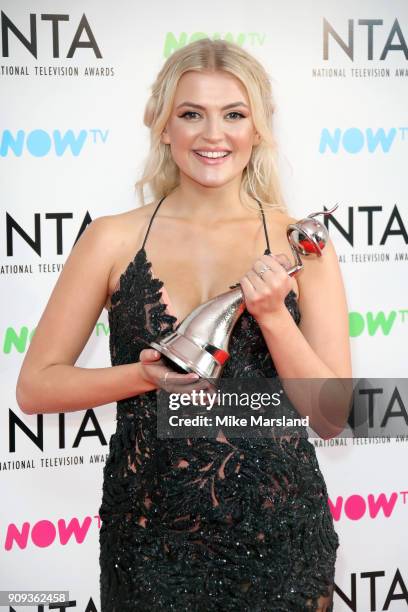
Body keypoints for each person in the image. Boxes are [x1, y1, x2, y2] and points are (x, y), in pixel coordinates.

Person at [16, 38, 352, 611]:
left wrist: (273, 314)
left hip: (280, 538)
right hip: (149, 540)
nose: (212, 134)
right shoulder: (111, 239)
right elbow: (36, 387)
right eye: (191, 113)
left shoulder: (304, 245)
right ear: (163, 126)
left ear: (259, 129)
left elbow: (331, 416)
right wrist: (146, 377)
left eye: (234, 115)